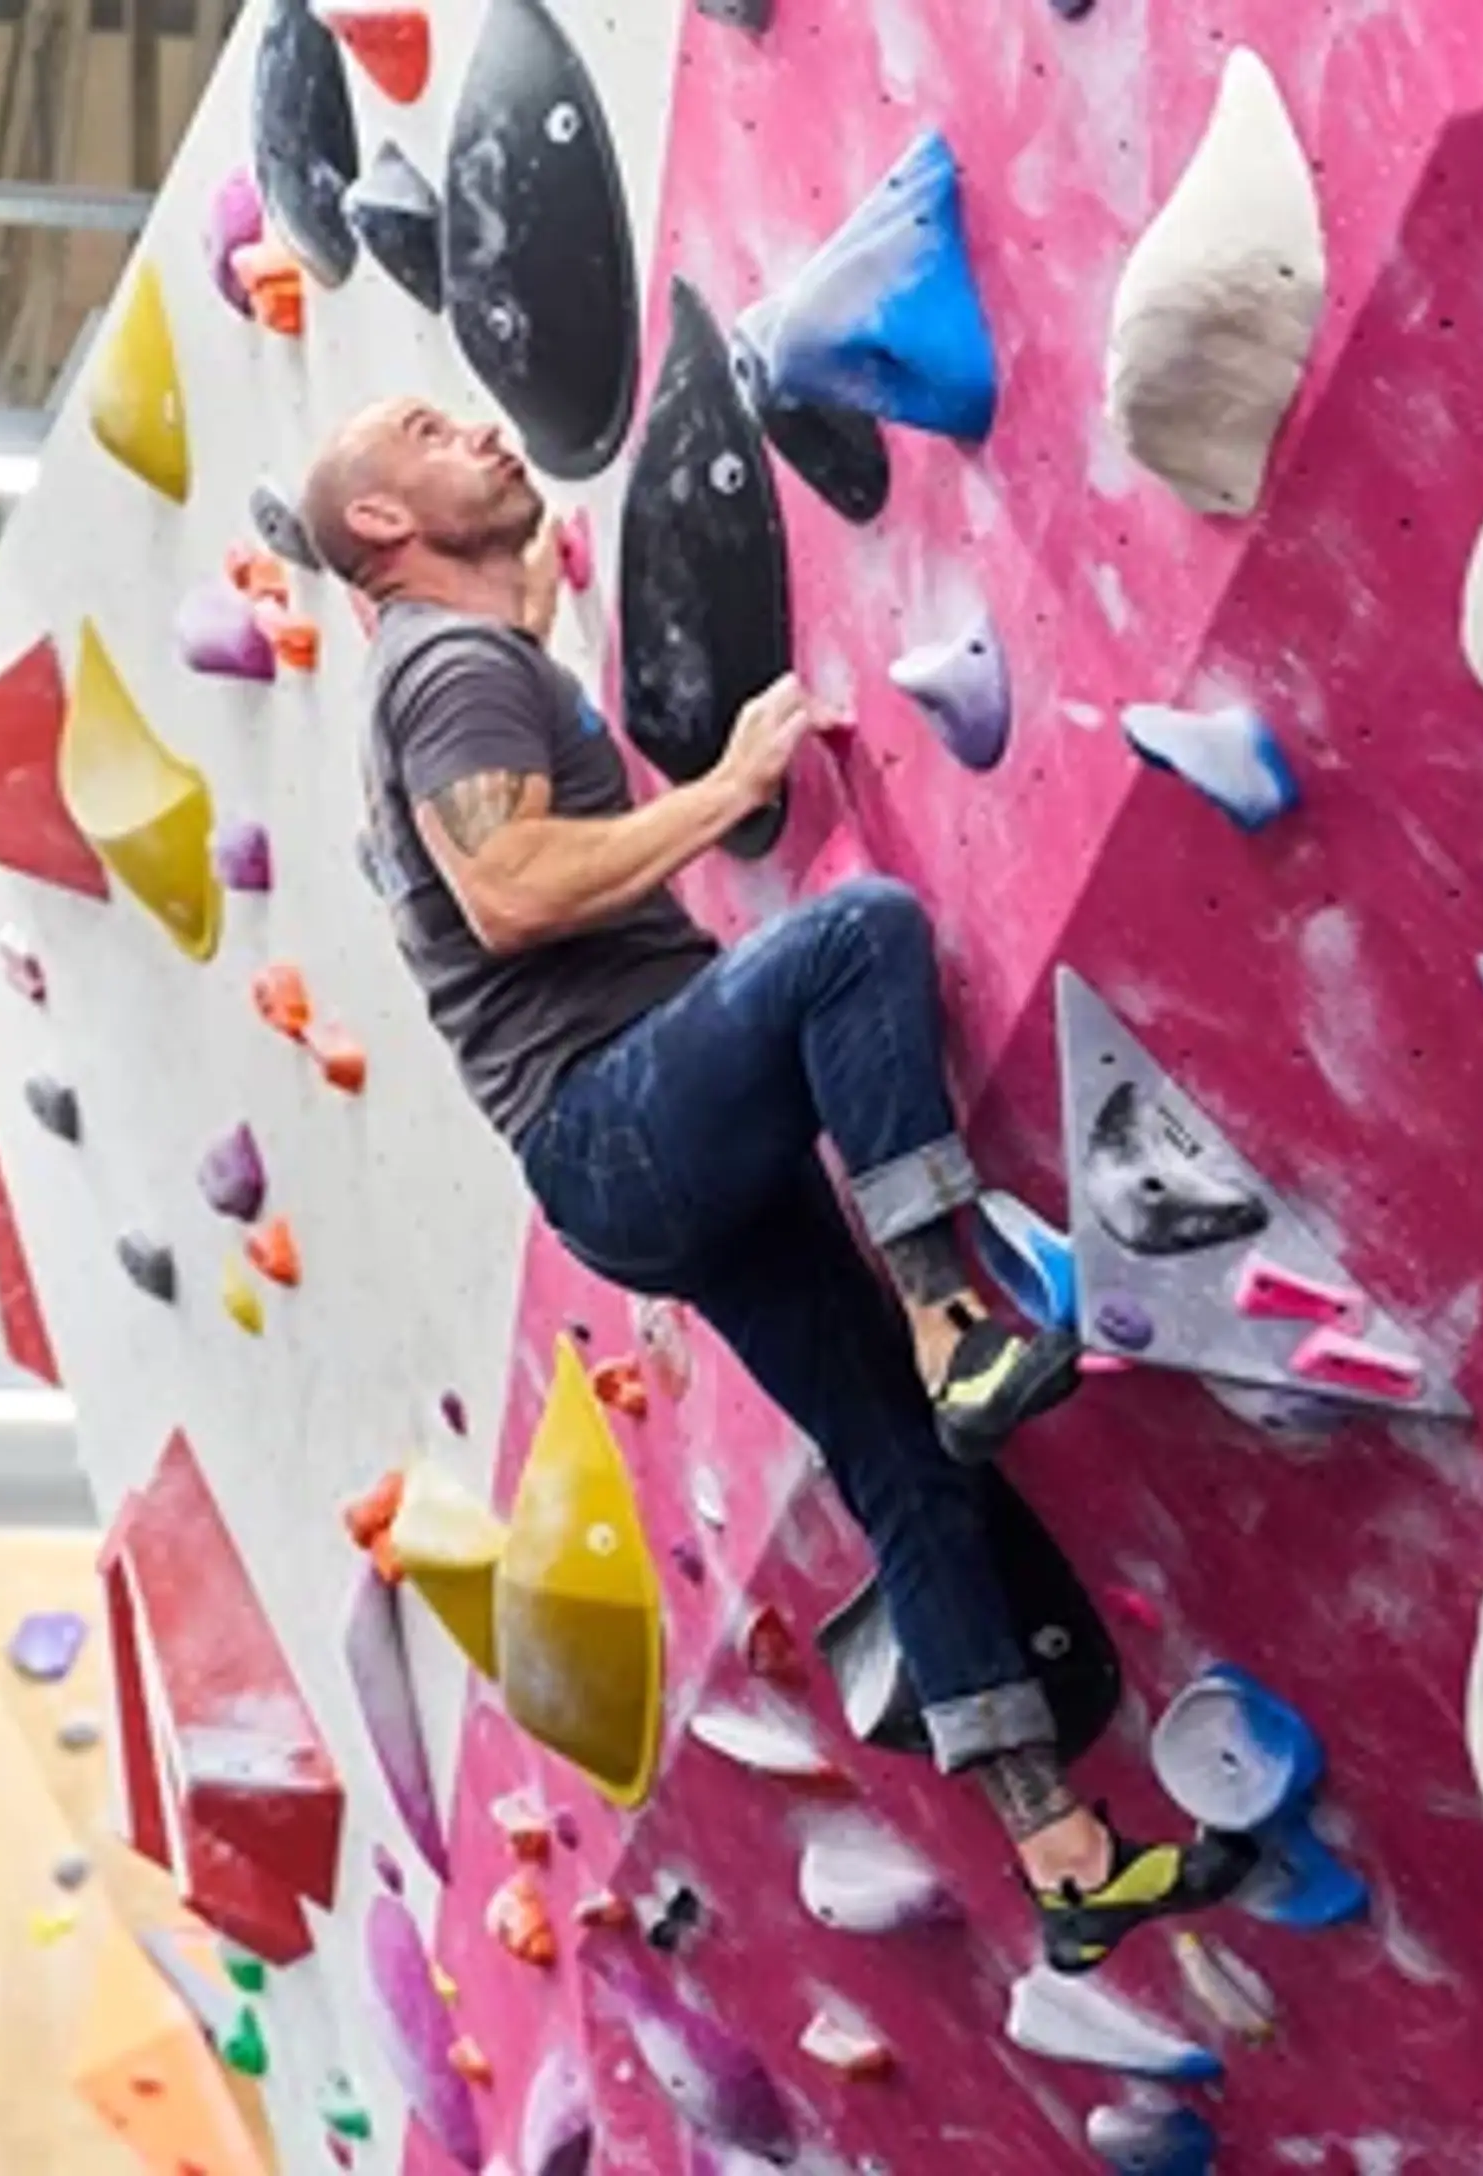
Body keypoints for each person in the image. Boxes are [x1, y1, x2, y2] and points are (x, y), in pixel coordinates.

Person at [303, 397, 1251, 1971]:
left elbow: (505, 610)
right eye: (420, 431)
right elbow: (510, 889)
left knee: (905, 1466)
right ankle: (955, 1316)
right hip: (618, 1111)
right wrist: (731, 780)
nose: (473, 428)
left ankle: (1062, 1854)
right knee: (854, 935)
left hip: (625, 1164)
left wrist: (515, 567)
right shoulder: (447, 668)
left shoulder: (464, 654)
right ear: (384, 533)